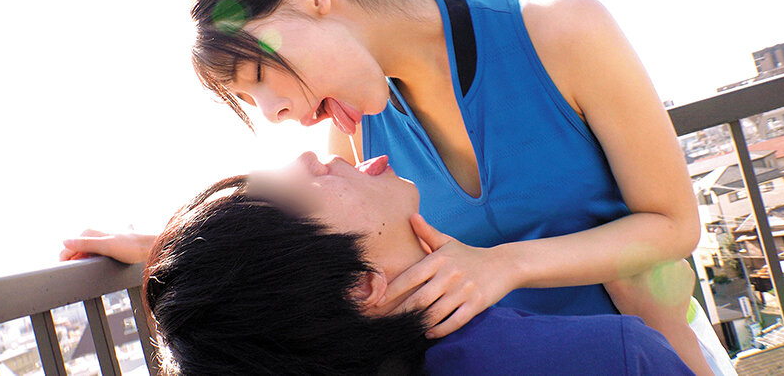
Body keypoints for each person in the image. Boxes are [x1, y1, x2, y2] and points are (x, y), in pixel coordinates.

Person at [62, 0, 733, 374]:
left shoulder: (561, 26)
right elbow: (310, 240)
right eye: (251, 102)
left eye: (261, 78)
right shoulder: (357, 124)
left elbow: (674, 225)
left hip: (649, 353)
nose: (274, 114)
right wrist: (175, 247)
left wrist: (503, 266)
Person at [143, 151, 694, 375]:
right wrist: (667, 325)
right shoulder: (608, 355)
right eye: (296, 191)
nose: (308, 156)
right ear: (361, 287)